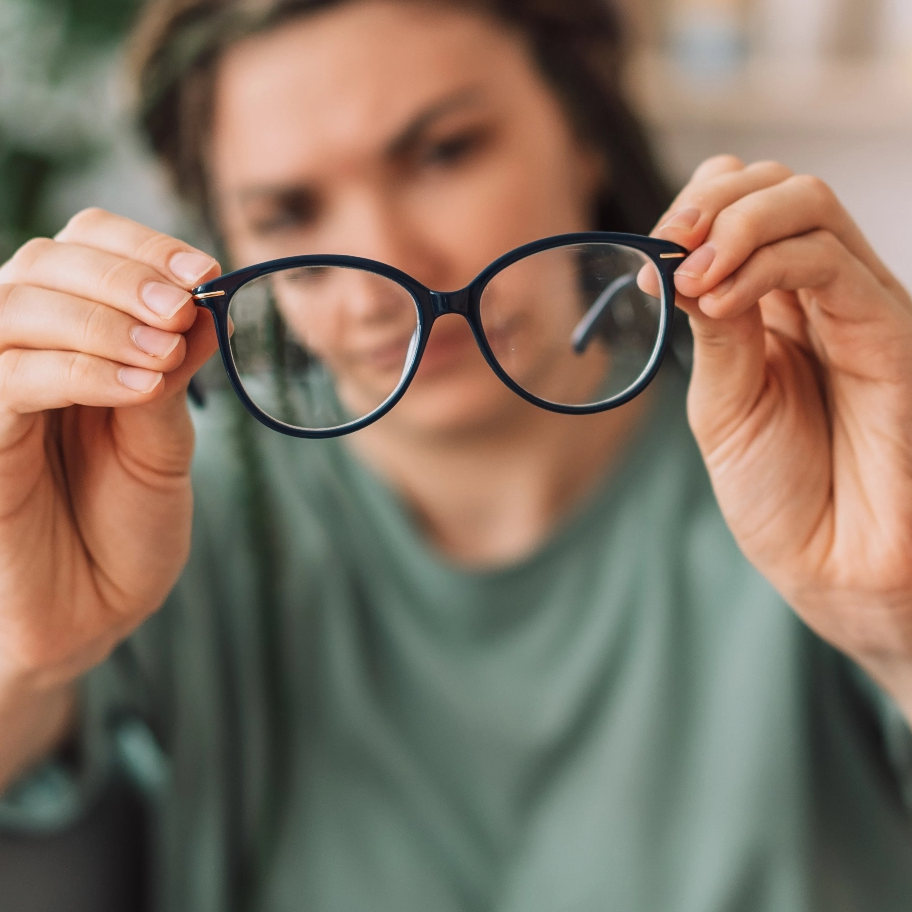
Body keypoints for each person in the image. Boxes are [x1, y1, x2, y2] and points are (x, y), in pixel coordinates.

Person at [0, 0, 910, 909]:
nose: (385, 274)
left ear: (584, 132)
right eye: (287, 212)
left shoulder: (818, 469)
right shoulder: (161, 516)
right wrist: (24, 658)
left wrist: (897, 621)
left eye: (444, 153)